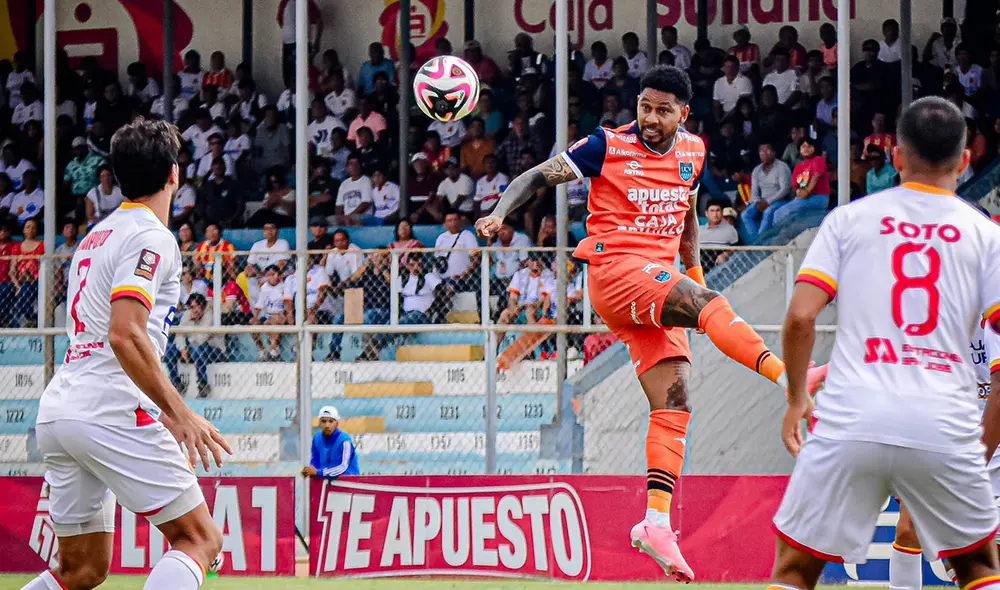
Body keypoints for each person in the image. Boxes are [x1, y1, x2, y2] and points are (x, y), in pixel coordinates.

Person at [475, 66, 825, 581]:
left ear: (684, 114)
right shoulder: (605, 146)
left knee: (676, 401)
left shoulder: (694, 152)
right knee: (713, 311)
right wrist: (499, 214)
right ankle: (790, 378)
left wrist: (697, 275)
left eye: (663, 110)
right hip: (616, 272)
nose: (651, 119)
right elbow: (534, 176)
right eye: (645, 107)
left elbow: (686, 216)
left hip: (659, 280)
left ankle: (655, 523)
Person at [772, 96, 1000, 590]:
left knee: (795, 567)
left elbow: (799, 318)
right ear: (965, 161)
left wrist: (796, 399)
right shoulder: (986, 236)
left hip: (851, 418)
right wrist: (975, 455)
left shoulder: (848, 221)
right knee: (979, 567)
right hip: (944, 421)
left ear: (895, 156)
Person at [24, 119, 229, 590]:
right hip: (110, 405)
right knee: (199, 539)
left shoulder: (94, 238)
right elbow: (125, 333)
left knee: (81, 570)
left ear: (115, 176)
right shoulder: (153, 237)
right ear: (175, 174)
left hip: (62, 408)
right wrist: (179, 413)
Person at [743, 142, 791, 242]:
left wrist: (768, 202)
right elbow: (754, 190)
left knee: (768, 212)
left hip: (780, 200)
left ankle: (759, 242)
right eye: (761, 152)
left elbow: (784, 189)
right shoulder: (757, 170)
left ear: (773, 153)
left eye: (767, 151)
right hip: (762, 201)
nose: (764, 153)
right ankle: (756, 241)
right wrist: (756, 202)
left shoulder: (782, 167)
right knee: (745, 215)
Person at [302, 406, 359, 479]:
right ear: (319, 423)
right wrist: (309, 471)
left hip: (349, 484)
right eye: (323, 421)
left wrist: (319, 472)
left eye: (331, 421)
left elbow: (343, 467)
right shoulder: (317, 438)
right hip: (326, 483)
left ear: (337, 423)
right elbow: (315, 462)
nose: (327, 425)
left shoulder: (345, 441)